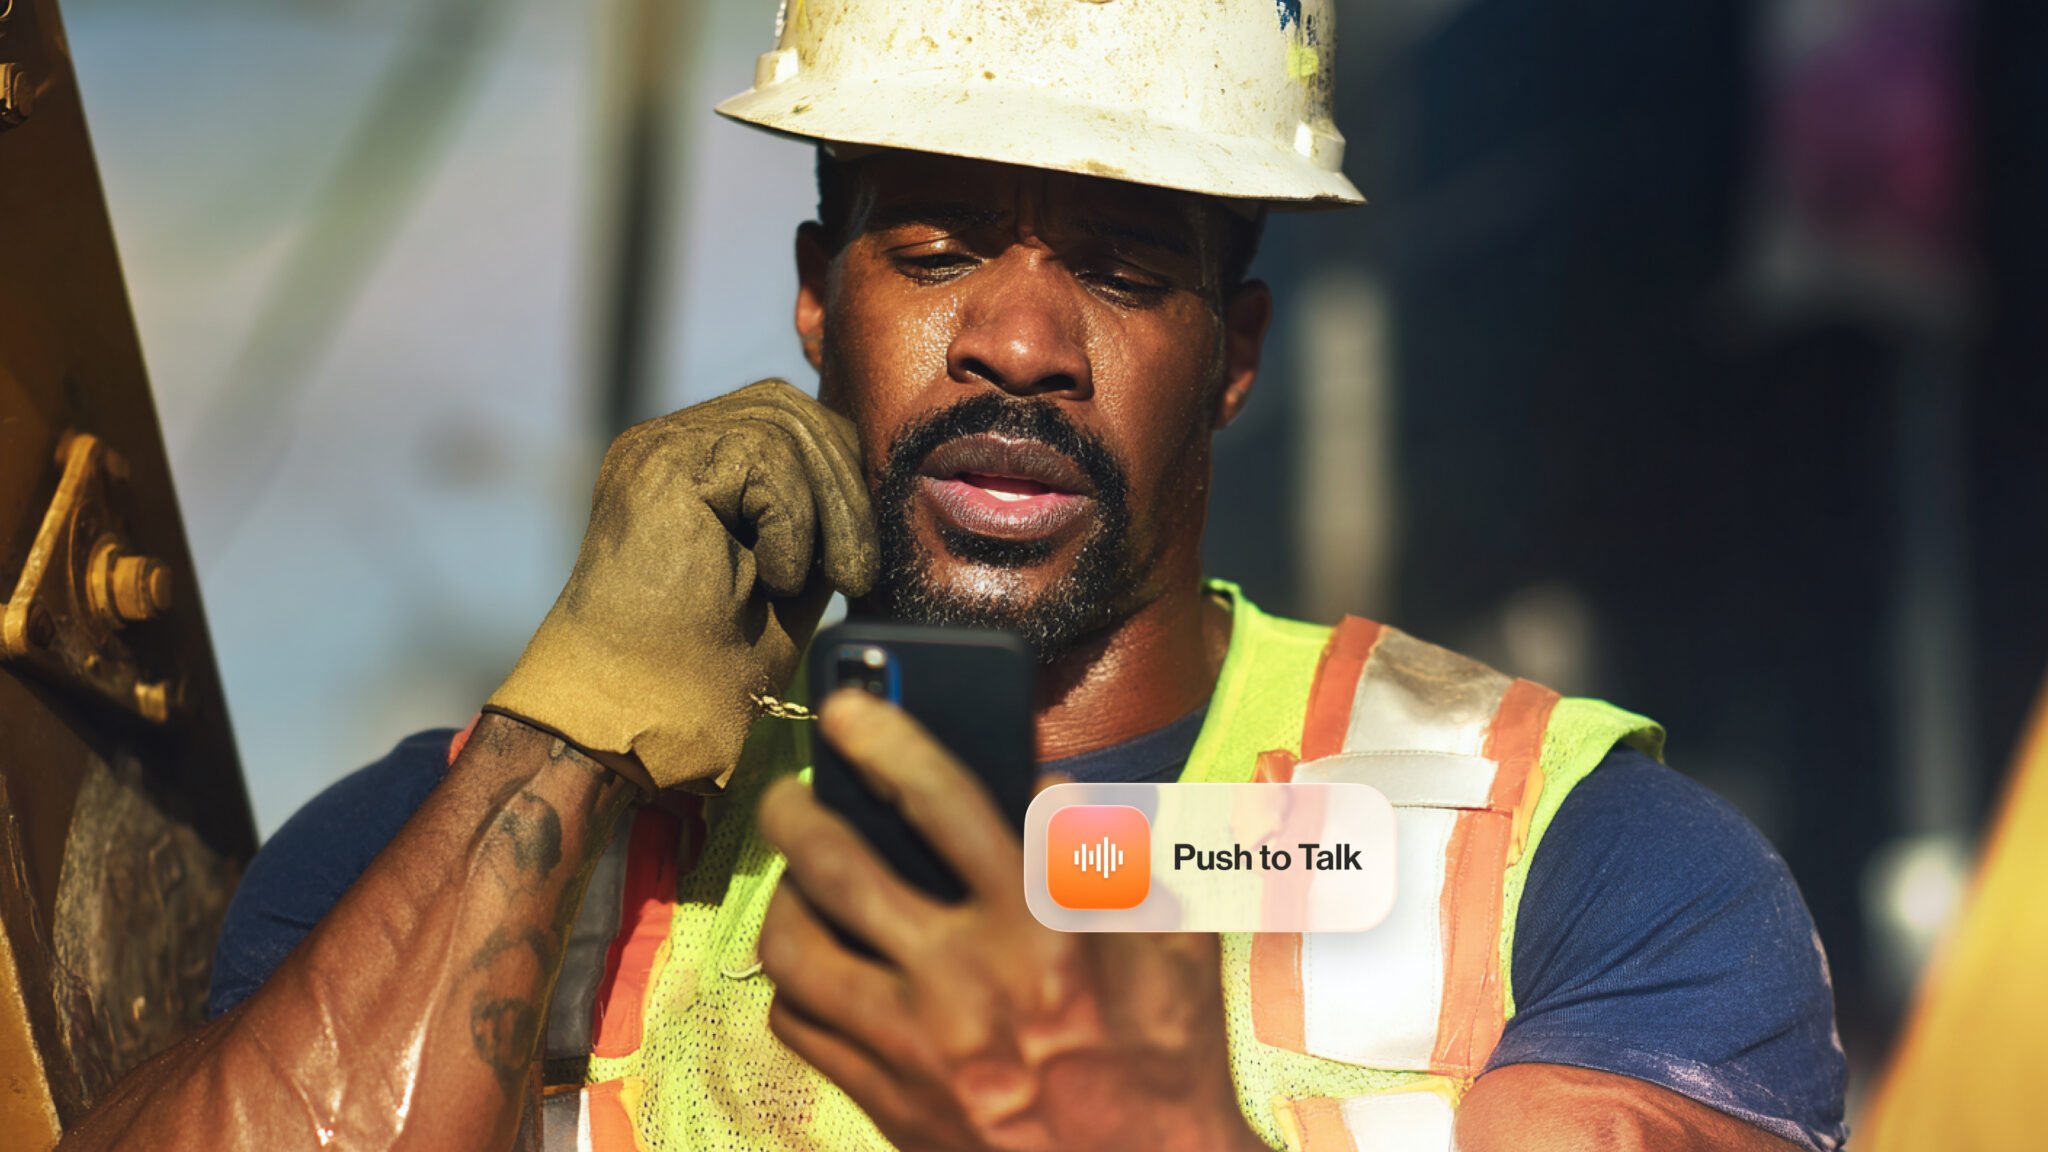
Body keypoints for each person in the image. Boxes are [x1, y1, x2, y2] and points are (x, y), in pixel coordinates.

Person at [63, 3, 1846, 1150]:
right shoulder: (441, 850)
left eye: (1125, 271)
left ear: (1233, 357)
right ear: (815, 301)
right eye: (930, 248)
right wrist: (567, 733)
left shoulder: (1570, 866)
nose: (1016, 339)